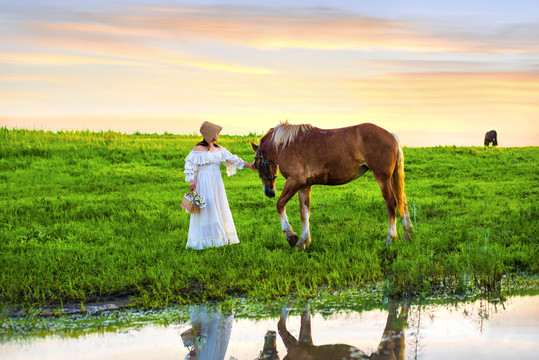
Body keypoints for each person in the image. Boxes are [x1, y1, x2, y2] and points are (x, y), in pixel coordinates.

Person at [184, 121, 255, 250]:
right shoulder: (198, 149)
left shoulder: (219, 149)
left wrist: (249, 165)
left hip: (216, 182)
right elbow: (190, 166)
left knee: (218, 206)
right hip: (203, 182)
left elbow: (233, 159)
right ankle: (204, 238)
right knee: (207, 208)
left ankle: (218, 237)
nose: (218, 135)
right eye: (216, 132)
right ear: (210, 133)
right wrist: (191, 181)